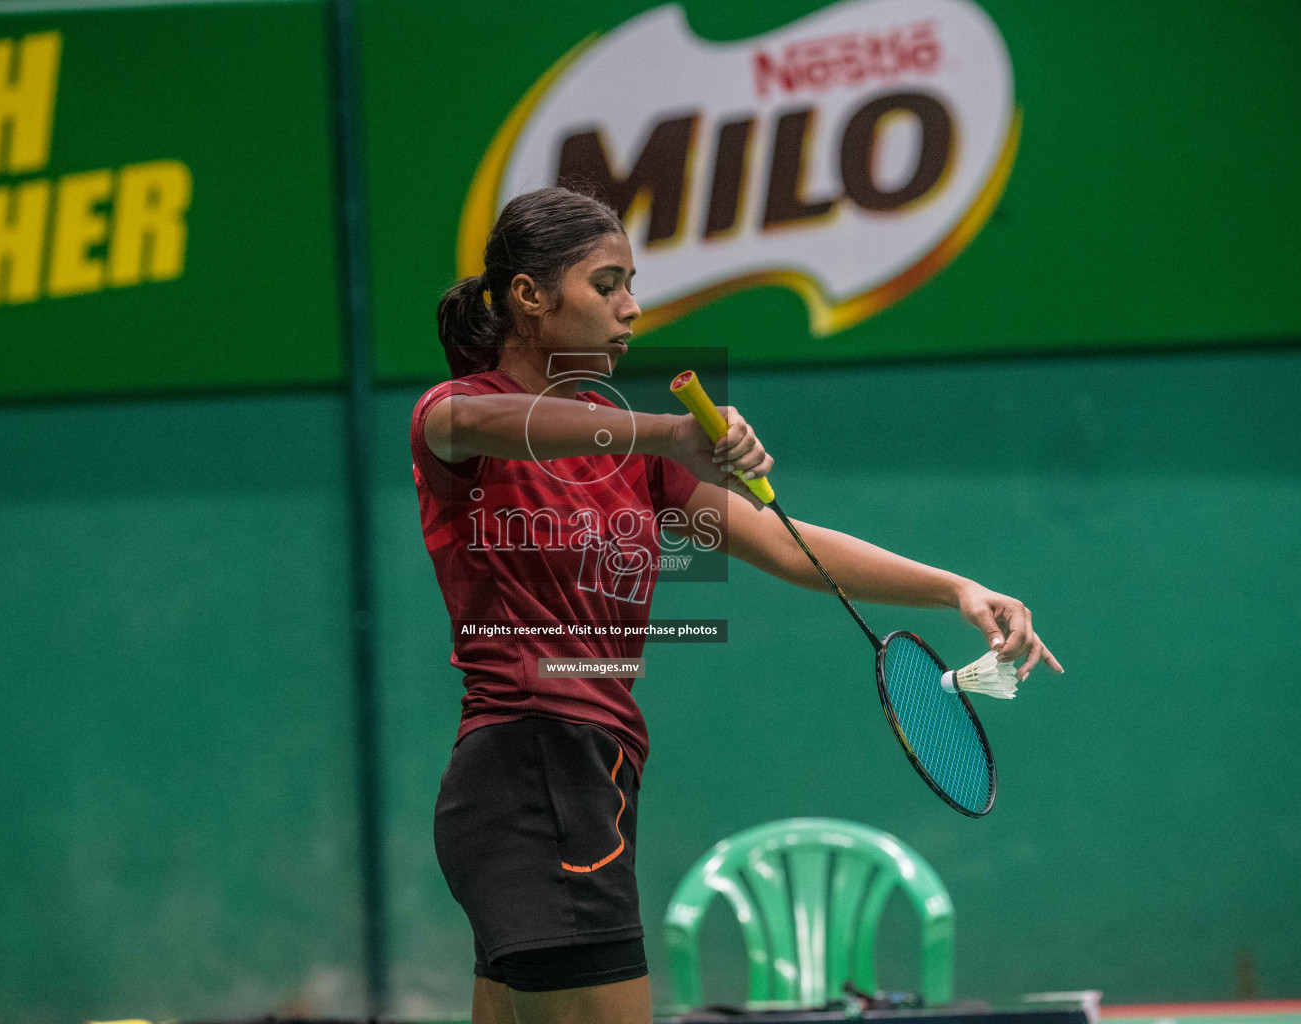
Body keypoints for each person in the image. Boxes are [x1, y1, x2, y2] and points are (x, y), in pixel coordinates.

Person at [410, 187, 1062, 1024]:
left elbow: (785, 543)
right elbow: (477, 418)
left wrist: (956, 587)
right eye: (605, 284)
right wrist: (666, 433)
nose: (631, 306)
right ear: (531, 296)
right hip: (533, 766)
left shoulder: (627, 453)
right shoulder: (458, 417)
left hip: (590, 772)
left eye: (631, 282)